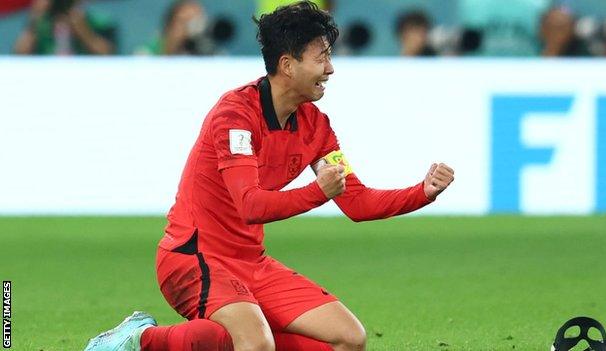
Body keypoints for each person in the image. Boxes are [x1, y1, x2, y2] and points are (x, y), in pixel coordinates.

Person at [84, 2, 455, 350]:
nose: (331, 69)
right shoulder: (235, 116)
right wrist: (317, 192)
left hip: (251, 262)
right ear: (288, 65)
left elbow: (356, 202)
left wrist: (421, 192)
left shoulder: (315, 126)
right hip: (193, 256)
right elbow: (250, 205)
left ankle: (143, 341)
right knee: (257, 342)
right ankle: (140, 339)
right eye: (322, 57)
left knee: (347, 338)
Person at [14, 0, 116, 55]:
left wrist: (84, 31)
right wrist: (35, 17)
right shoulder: (40, 24)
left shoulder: (99, 22)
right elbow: (20, 54)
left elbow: (107, 55)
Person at [135, 0, 219, 56]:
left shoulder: (209, 51)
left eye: (196, 22)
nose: (190, 29)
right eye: (184, 22)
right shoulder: (148, 52)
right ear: (169, 25)